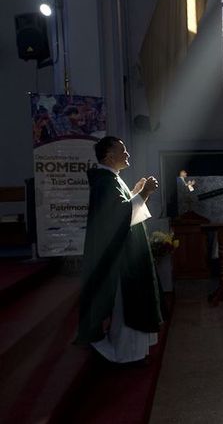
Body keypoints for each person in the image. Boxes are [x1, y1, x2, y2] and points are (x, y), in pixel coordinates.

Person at [75, 136, 162, 364]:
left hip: (126, 252)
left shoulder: (112, 179)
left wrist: (135, 192)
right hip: (121, 257)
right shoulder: (105, 181)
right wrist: (145, 194)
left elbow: (120, 209)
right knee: (128, 306)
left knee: (131, 304)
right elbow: (119, 217)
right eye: (122, 151)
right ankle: (127, 355)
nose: (127, 155)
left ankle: (134, 352)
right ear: (109, 156)